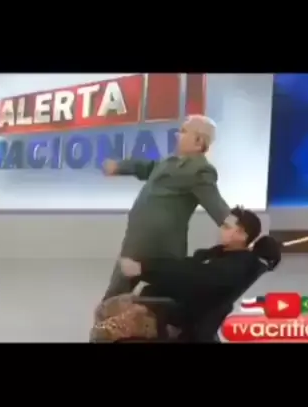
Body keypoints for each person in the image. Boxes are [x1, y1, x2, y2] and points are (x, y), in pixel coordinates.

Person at [102, 114, 236, 300]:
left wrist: (239, 228)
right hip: (139, 240)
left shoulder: (199, 170)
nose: (177, 135)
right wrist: (120, 167)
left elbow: (217, 205)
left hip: (159, 247)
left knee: (122, 295)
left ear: (198, 142)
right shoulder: (171, 162)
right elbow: (148, 167)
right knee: (123, 295)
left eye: (183, 131)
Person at [119, 207, 267, 340]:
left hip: (180, 319)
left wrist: (145, 268)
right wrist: (145, 267)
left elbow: (190, 275)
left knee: (113, 320)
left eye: (226, 227)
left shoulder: (235, 266)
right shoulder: (219, 252)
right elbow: (185, 266)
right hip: (172, 306)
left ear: (242, 235)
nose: (221, 229)